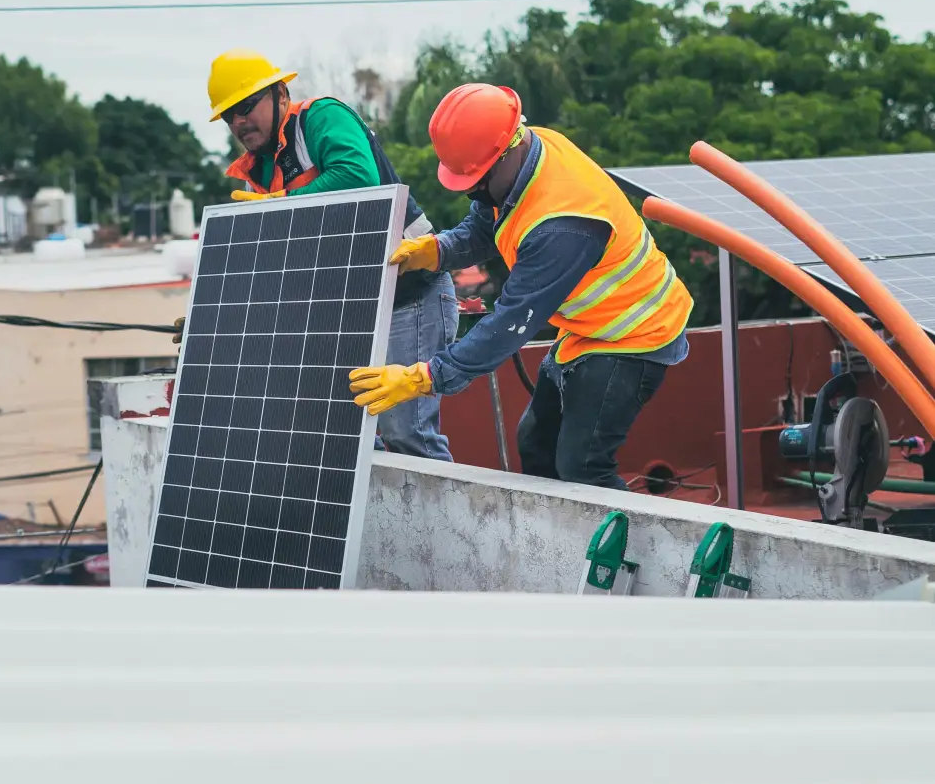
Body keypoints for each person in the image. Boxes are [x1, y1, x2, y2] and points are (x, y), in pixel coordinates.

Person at [350, 83, 692, 489]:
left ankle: (624, 548)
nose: (473, 191)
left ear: (507, 151)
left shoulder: (564, 226)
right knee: (536, 443)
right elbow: (487, 223)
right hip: (591, 328)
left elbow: (510, 323)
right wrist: (438, 250)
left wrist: (423, 377)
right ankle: (558, 546)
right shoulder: (527, 152)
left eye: (477, 180)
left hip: (636, 335)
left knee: (583, 467)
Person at [205, 50, 458, 461]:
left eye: (246, 107)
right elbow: (274, 259)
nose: (238, 122)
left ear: (281, 95)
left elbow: (359, 177)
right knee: (350, 437)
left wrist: (280, 203)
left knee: (405, 432)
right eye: (229, 115)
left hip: (410, 295)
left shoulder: (320, 118)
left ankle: (447, 527)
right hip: (348, 310)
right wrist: (217, 314)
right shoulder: (259, 174)